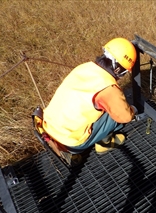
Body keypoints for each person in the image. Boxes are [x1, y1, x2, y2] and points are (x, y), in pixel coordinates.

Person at [40, 37, 138, 165]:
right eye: (124, 72)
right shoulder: (108, 89)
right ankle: (103, 142)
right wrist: (134, 109)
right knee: (116, 112)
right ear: (118, 69)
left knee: (101, 106)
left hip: (47, 127)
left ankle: (69, 147)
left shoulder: (85, 67)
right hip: (70, 142)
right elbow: (124, 117)